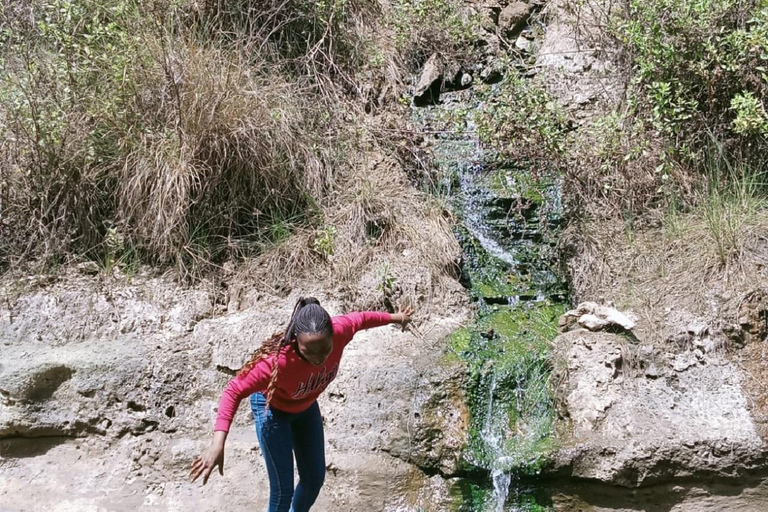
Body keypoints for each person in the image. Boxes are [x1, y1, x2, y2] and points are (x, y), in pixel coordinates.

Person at [190, 296, 414, 512]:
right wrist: (218, 444)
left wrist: (397, 317)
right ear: (297, 340)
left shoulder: (341, 329)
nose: (318, 358)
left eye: (325, 349)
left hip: (305, 408)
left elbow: (364, 319)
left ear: (332, 335)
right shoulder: (279, 362)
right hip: (272, 410)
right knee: (282, 492)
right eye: (310, 351)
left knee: (314, 478)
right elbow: (234, 390)